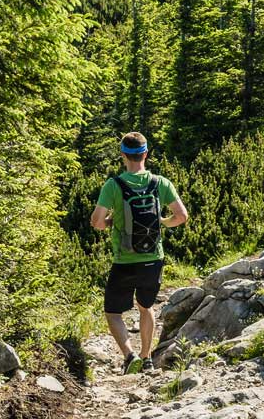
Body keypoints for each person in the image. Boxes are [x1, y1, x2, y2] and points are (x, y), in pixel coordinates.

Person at [90, 132, 188, 374]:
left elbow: (97, 222)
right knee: (146, 307)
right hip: (153, 258)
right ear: (145, 153)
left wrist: (112, 222)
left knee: (113, 312)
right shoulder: (160, 183)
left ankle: (128, 355)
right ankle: (146, 358)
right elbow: (182, 216)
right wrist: (161, 222)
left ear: (123, 155)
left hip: (124, 260)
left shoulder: (114, 185)